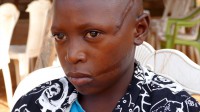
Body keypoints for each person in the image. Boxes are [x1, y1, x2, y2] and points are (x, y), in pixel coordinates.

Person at [12, 0, 200, 112]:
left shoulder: (173, 106)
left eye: (92, 34)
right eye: (60, 36)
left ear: (139, 30)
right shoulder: (34, 104)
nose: (72, 55)